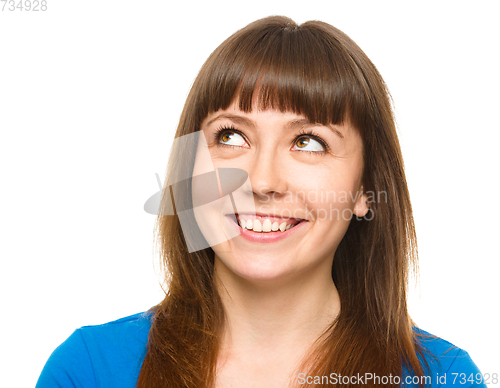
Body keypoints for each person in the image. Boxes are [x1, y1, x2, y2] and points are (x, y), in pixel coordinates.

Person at [35, 15, 487, 388]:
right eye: (230, 137)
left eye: (309, 142)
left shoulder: (445, 378)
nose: (262, 180)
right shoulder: (87, 371)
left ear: (365, 191)